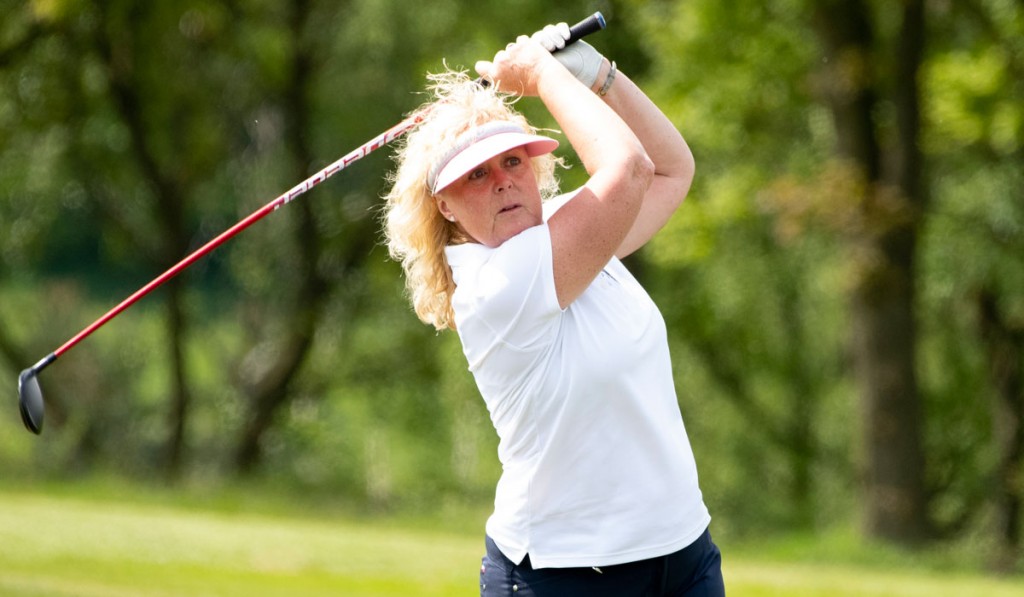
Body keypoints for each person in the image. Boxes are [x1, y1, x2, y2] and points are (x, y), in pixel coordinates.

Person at [381, 22, 724, 597]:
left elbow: (669, 170)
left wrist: (597, 76)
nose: (501, 183)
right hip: (565, 573)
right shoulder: (498, 286)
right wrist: (544, 76)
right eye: (476, 175)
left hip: (683, 554)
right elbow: (630, 171)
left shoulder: (570, 231)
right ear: (444, 205)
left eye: (512, 162)